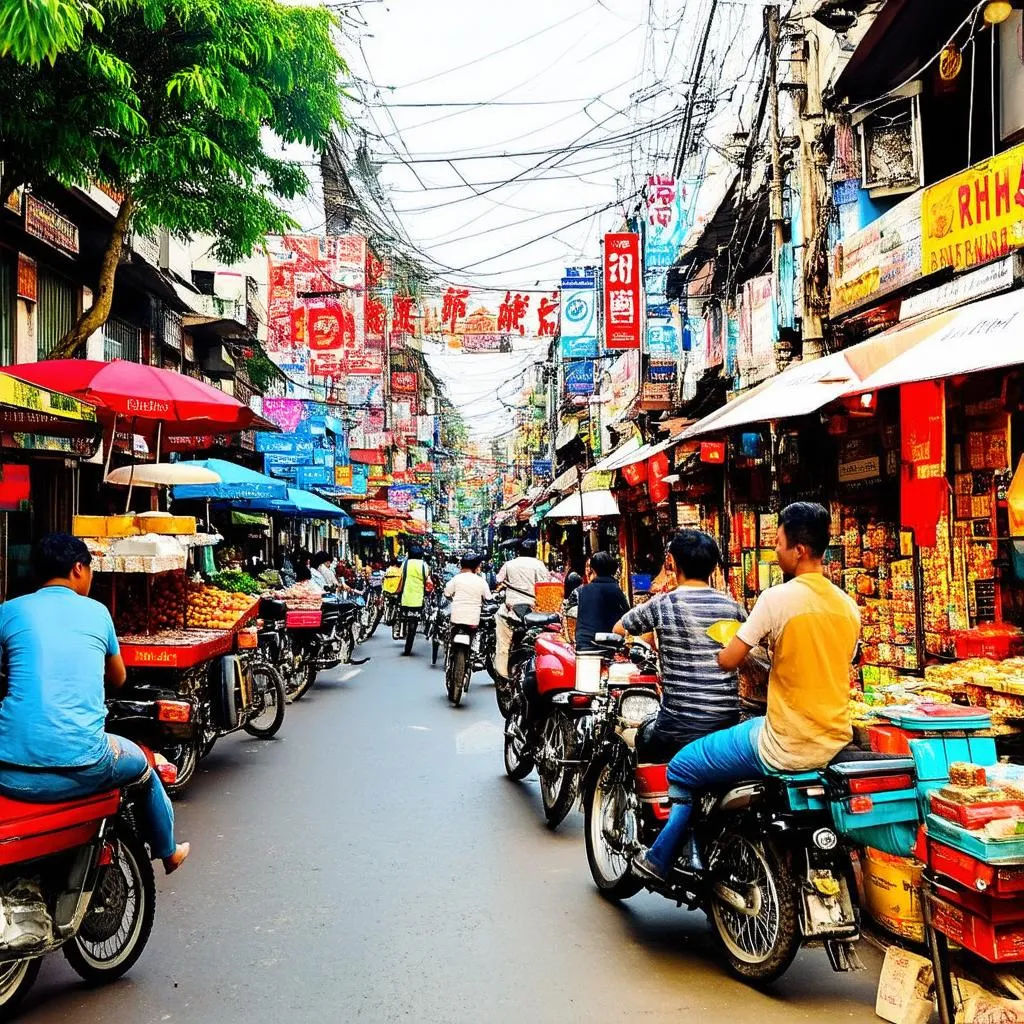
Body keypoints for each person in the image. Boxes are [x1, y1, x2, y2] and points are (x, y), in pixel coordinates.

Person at [632, 503, 860, 882]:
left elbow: (727, 660)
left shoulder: (777, 599)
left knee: (682, 766)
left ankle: (660, 858)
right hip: (834, 739)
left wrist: (725, 646)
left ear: (799, 550)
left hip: (782, 742)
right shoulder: (848, 607)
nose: (775, 550)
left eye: (780, 542)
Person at [0, 534, 188, 874]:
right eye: (90, 569)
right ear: (77, 569)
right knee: (144, 769)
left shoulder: (9, 611)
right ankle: (168, 851)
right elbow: (118, 679)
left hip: (9, 770)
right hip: (85, 763)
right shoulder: (97, 613)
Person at [613, 530, 746, 766]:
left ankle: (650, 802)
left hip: (680, 723)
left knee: (643, 740)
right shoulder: (733, 607)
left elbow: (619, 629)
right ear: (714, 566)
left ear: (672, 563)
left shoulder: (663, 603)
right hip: (727, 720)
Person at [493, 539, 550, 677]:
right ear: (534, 551)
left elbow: (498, 580)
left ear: (518, 551)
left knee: (503, 646)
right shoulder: (539, 565)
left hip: (510, 610)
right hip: (533, 611)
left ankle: (502, 678)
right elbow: (546, 584)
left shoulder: (509, 564)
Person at [574, 552, 630, 652]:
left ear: (593, 570)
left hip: (582, 645)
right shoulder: (615, 590)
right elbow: (628, 617)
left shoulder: (582, 590)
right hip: (607, 646)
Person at [443, 552, 492, 639]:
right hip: (473, 620)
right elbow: (488, 598)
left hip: (456, 617)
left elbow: (447, 593)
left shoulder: (456, 579)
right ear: (476, 567)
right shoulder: (481, 581)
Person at [397, 545, 429, 656]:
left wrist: (397, 591)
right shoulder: (424, 565)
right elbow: (427, 580)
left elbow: (401, 578)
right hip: (418, 599)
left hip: (405, 598)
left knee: (402, 617)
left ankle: (400, 631)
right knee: (415, 622)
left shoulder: (405, 564)